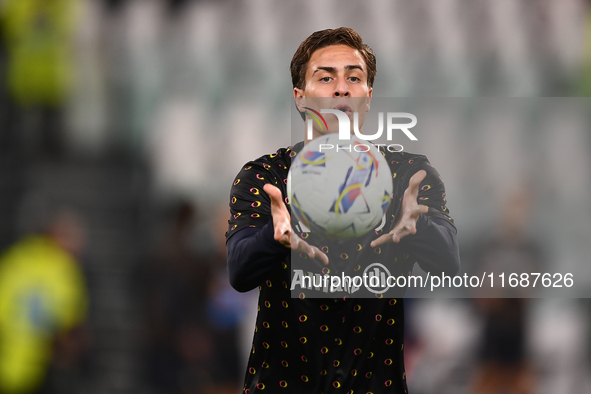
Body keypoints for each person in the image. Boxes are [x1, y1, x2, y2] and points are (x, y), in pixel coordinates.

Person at [226, 27, 460, 393]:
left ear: (368, 95)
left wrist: (418, 226)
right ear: (300, 97)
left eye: (354, 77)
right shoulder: (266, 176)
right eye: (326, 77)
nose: (341, 88)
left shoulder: (406, 175)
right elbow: (240, 271)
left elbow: (449, 263)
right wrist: (278, 237)